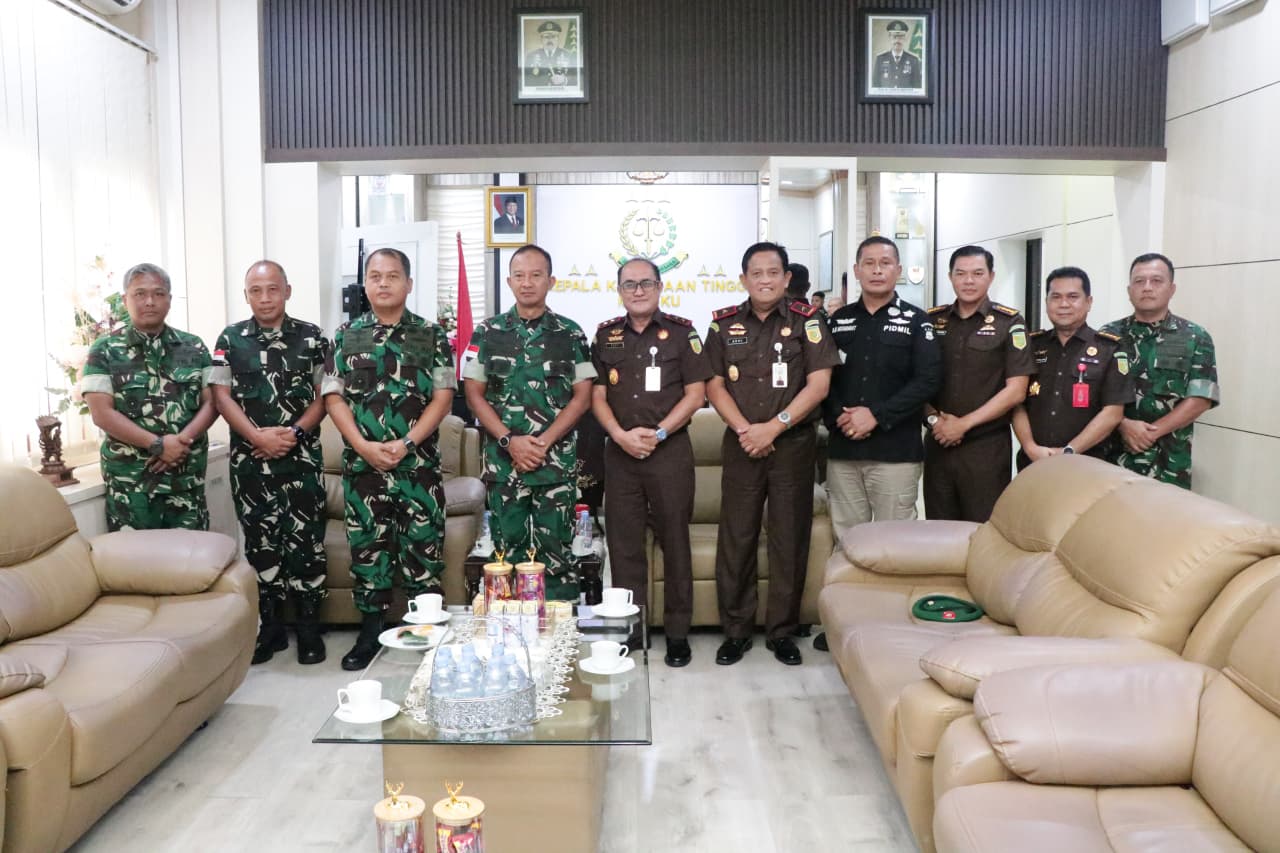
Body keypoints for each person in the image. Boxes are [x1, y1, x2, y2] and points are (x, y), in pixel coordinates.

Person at [705, 242, 839, 666]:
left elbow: (819, 385)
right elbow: (713, 386)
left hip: (792, 446)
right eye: (756, 273)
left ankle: (781, 632)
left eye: (773, 272)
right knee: (737, 537)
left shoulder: (808, 320)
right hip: (742, 444)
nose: (765, 280)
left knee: (789, 538)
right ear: (744, 279)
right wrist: (746, 430)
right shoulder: (723, 324)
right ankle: (736, 631)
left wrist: (774, 427)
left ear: (786, 278)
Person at [323, 248, 456, 671]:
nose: (383, 283)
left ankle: (427, 630)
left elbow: (443, 397)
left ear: (409, 284)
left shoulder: (432, 335)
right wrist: (362, 446)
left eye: (393, 275)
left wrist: (408, 443)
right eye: (375, 276)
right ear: (365, 284)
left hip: (418, 465)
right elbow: (333, 397)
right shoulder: (345, 336)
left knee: (424, 548)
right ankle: (370, 631)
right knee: (368, 548)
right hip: (364, 467)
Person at [590, 259, 712, 668]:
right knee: (623, 546)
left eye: (645, 283)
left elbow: (696, 395)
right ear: (619, 290)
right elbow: (597, 396)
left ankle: (677, 634)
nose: (638, 291)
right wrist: (620, 435)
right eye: (629, 284)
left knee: (675, 542)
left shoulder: (682, 333)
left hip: (669, 453)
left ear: (660, 287)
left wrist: (658, 433)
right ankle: (631, 631)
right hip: (620, 454)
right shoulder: (605, 335)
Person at [819, 237, 941, 642]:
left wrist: (877, 416)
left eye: (885, 263)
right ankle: (844, 622)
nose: (876, 270)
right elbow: (821, 379)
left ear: (898, 270)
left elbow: (927, 380)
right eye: (868, 263)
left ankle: (891, 624)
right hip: (844, 449)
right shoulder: (836, 322)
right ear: (856, 270)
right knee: (847, 540)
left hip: (895, 451)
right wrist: (840, 418)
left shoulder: (917, 321)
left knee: (894, 542)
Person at [211, 260, 330, 665]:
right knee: (261, 545)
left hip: (301, 461)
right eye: (255, 291)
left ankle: (309, 630)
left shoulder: (312, 338)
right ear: (246, 295)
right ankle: (272, 629)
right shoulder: (230, 339)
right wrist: (256, 436)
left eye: (273, 289)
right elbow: (221, 396)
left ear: (287, 291)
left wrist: (293, 433)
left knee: (307, 544)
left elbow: (325, 397)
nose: (265, 298)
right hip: (251, 465)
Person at [464, 245, 595, 600]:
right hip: (504, 465)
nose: (527, 283)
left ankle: (560, 626)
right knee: (506, 555)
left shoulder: (571, 333)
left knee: (558, 555)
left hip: (555, 465)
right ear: (509, 282)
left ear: (551, 281)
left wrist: (543, 442)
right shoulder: (487, 332)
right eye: (519, 276)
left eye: (536, 275)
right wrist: (511, 442)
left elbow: (582, 397)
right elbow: (474, 394)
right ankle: (509, 627)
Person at [81, 262, 218, 531]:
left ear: (169, 299)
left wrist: (181, 441)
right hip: (131, 485)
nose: (150, 301)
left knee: (192, 554)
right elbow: (101, 413)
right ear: (125, 300)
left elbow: (212, 402)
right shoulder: (104, 350)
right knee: (134, 556)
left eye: (158, 293)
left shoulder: (194, 346)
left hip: (186, 479)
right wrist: (158, 445)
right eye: (140, 294)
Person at [924, 246, 1035, 522]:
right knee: (937, 528)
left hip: (986, 448)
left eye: (977, 273)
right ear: (950, 277)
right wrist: (935, 421)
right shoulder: (931, 321)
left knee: (983, 529)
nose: (968, 281)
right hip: (938, 443)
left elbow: (1016, 390)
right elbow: (916, 380)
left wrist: (963, 425)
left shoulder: (1010, 322)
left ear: (991, 276)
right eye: (960, 273)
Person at [1100, 253, 1219, 489]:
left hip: (1168, 464)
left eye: (1156, 280)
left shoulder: (1195, 336)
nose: (1147, 287)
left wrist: (1150, 434)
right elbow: (1093, 391)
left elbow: (1201, 398)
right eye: (1139, 281)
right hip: (1111, 457)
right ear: (1129, 290)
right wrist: (1123, 424)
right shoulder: (1107, 336)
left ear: (1172, 289)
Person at [1012, 266, 1133, 470]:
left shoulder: (1109, 349)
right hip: (1033, 462)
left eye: (1073, 297)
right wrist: (1030, 447)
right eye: (1056, 297)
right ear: (1046, 302)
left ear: (1089, 302)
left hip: (1088, 465)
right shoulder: (1031, 346)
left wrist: (1069, 451)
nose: (1064, 304)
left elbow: (1113, 412)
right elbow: (1017, 404)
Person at [524, 20, 577, 87]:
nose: (550, 40)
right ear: (541, 39)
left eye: (553, 37)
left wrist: (564, 80)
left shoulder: (569, 55)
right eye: (546, 37)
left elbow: (577, 79)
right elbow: (525, 80)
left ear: (558, 38)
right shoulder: (531, 56)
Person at [873, 19, 923, 89]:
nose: (897, 40)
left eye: (900, 37)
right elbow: (875, 85)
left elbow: (917, 87)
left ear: (905, 38)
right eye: (894, 37)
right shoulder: (880, 59)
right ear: (890, 38)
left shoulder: (913, 60)